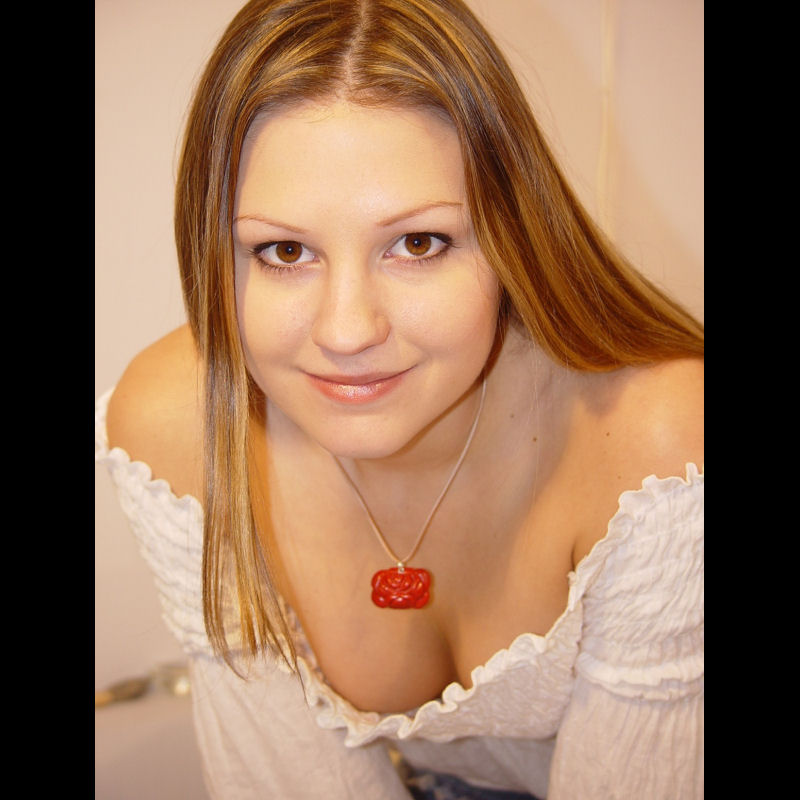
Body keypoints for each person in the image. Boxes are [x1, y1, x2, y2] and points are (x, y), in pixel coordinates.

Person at [95, 0, 703, 797]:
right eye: (284, 251)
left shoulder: (654, 438)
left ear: (513, 233)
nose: (347, 330)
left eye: (418, 243)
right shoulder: (178, 428)